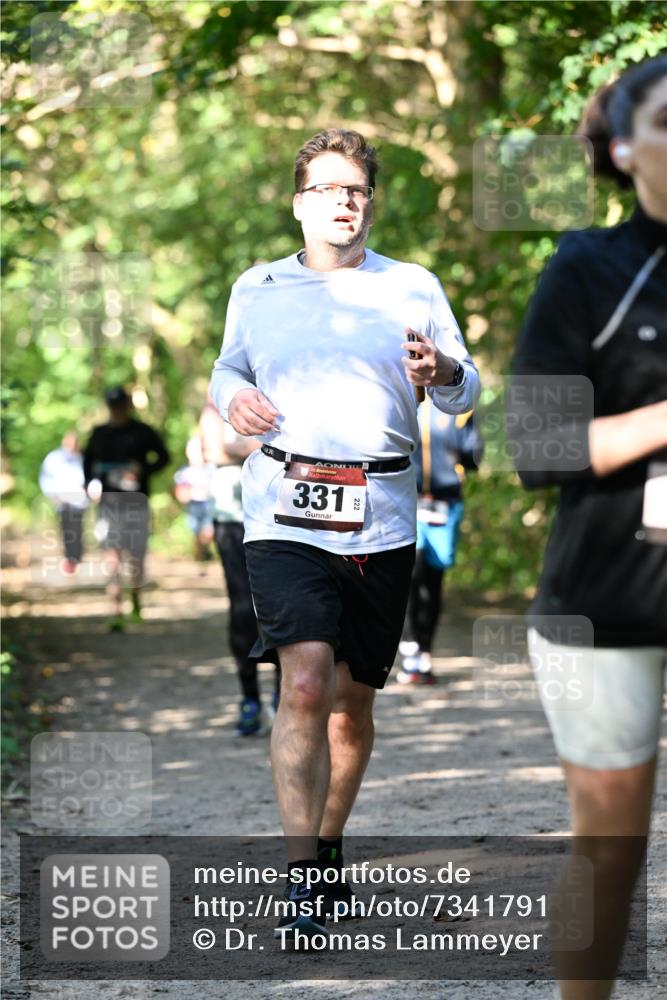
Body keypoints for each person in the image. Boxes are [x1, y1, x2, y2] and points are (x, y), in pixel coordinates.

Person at [210, 128, 480, 937]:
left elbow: (464, 393)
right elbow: (232, 365)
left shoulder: (412, 285)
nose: (342, 201)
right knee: (301, 681)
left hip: (383, 511)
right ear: (299, 204)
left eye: (355, 189)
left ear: (370, 202)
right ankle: (301, 877)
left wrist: (444, 374)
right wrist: (233, 399)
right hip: (283, 507)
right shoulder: (256, 287)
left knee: (350, 707)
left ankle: (327, 847)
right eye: (326, 188)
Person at [512, 57, 667, 999]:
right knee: (612, 851)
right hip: (611, 597)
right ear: (623, 147)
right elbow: (536, 442)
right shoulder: (588, 267)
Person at [199, 401, 280, 736]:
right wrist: (264, 445)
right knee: (243, 609)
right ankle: (249, 699)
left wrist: (242, 447)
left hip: (280, 516)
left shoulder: (278, 387)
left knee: (282, 609)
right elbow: (215, 451)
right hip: (232, 518)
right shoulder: (216, 398)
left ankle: (282, 697)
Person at [396, 404, 482, 684]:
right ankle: (409, 644)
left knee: (433, 582)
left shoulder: (461, 409)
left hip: (446, 504)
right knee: (411, 572)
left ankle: (425, 652)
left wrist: (463, 451)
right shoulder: (405, 399)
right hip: (409, 499)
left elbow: (474, 456)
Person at [83, 386, 170, 632]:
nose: (117, 410)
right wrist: (90, 484)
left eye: (120, 405)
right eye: (113, 405)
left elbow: (164, 457)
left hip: (137, 501)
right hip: (109, 503)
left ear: (128, 405)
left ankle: (136, 601)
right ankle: (116, 609)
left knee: (136, 555)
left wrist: (143, 470)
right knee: (112, 555)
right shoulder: (99, 433)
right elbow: (87, 462)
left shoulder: (143, 432)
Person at [38, 431, 88, 575]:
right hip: (63, 501)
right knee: (67, 530)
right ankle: (69, 559)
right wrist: (52, 495)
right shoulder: (54, 458)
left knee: (78, 530)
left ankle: (77, 557)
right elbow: (45, 478)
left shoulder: (83, 458)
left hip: (80, 501)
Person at [173, 436, 214, 564]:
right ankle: (201, 558)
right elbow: (180, 492)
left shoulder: (211, 468)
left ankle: (205, 555)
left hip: (210, 505)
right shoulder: (184, 472)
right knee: (197, 534)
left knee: (208, 531)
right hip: (194, 506)